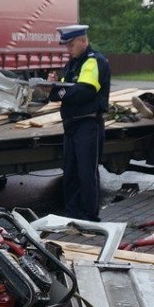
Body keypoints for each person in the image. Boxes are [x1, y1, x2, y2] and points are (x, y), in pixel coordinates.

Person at [47, 24, 111, 222]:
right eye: (67, 46)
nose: (68, 49)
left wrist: (61, 91)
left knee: (86, 172)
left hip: (88, 125)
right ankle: (72, 213)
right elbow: (57, 93)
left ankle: (89, 216)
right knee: (71, 171)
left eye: (71, 45)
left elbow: (84, 90)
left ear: (83, 40)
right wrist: (51, 85)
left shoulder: (93, 61)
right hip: (72, 125)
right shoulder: (73, 64)